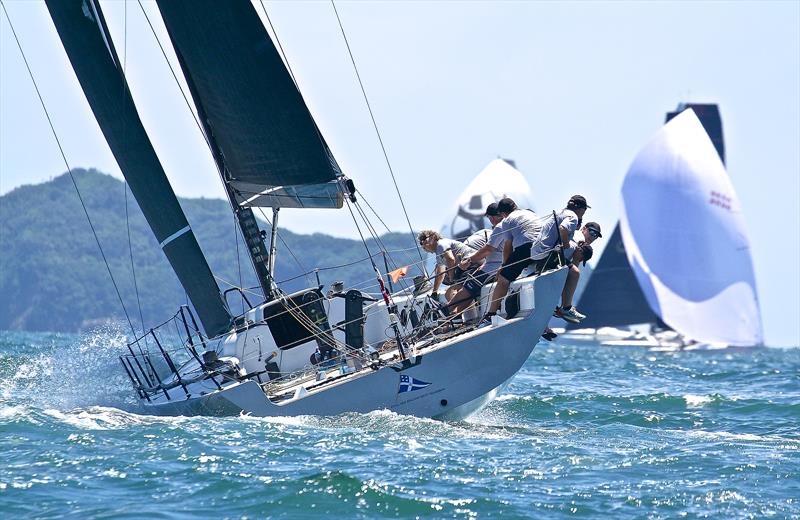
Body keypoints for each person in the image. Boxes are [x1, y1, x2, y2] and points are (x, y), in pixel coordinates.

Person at [478, 195, 591, 328]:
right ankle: (560, 308)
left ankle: (490, 314)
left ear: (503, 213)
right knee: (562, 273)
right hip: (541, 250)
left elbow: (508, 246)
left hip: (530, 249)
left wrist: (504, 267)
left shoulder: (507, 220)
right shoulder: (530, 213)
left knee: (504, 279)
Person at [446, 203, 505, 317]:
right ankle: (455, 316)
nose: (490, 220)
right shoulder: (506, 226)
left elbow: (487, 250)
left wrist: (469, 260)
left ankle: (444, 311)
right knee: (471, 289)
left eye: (489, 217)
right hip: (495, 266)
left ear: (492, 217)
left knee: (469, 285)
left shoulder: (499, 228)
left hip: (493, 268)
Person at [555, 221, 602, 323]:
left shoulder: (580, 242)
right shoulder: (579, 237)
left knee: (568, 277)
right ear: (584, 228)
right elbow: (574, 271)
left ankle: (562, 308)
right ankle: (566, 308)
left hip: (557, 262)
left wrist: (577, 259)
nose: (593, 237)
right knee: (575, 273)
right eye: (592, 233)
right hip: (553, 260)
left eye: (596, 236)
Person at [418, 229, 477, 302]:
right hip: (465, 267)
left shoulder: (441, 244)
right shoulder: (438, 253)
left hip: (471, 263)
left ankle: (455, 311)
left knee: (450, 292)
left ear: (433, 237)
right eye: (421, 242)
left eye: (424, 239)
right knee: (449, 289)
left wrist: (452, 279)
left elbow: (451, 259)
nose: (423, 242)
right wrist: (434, 292)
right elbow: (440, 273)